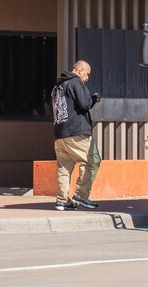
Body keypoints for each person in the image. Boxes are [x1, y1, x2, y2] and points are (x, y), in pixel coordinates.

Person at [51, 60, 102, 211]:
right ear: (80, 70)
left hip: (60, 133)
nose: (87, 78)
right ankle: (81, 195)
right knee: (93, 160)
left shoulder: (57, 87)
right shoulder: (75, 82)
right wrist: (94, 98)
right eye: (87, 74)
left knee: (64, 167)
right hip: (76, 132)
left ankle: (62, 200)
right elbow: (84, 103)